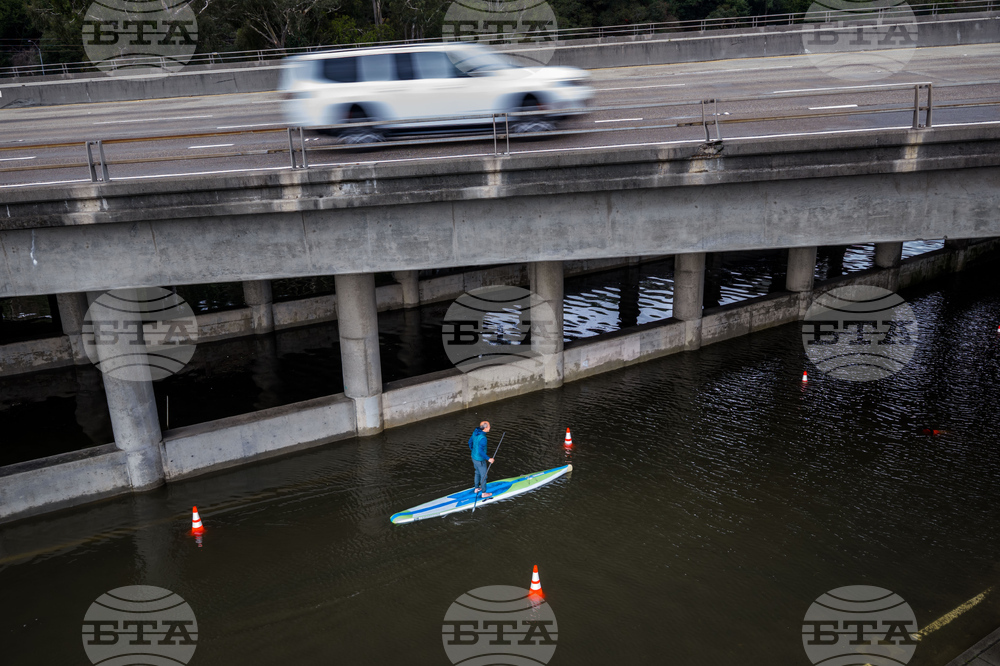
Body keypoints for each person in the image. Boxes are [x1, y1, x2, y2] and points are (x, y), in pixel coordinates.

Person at [468, 421, 494, 498]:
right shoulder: (483, 438)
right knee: (484, 476)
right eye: (489, 426)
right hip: (479, 460)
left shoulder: (475, 432)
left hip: (473, 457)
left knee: (477, 472)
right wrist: (488, 459)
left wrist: (473, 451)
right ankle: (484, 493)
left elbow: (470, 442)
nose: (490, 427)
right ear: (485, 428)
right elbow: (480, 451)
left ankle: (476, 488)